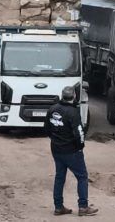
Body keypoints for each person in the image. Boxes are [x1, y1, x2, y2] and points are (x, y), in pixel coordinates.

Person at [44, 86, 98, 217]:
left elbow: (46, 128)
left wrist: (55, 140)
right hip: (71, 151)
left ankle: (58, 207)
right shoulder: (73, 112)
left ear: (62, 95)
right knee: (82, 176)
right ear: (74, 96)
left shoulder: (53, 109)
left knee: (59, 177)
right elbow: (79, 132)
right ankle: (83, 207)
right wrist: (80, 146)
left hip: (56, 149)